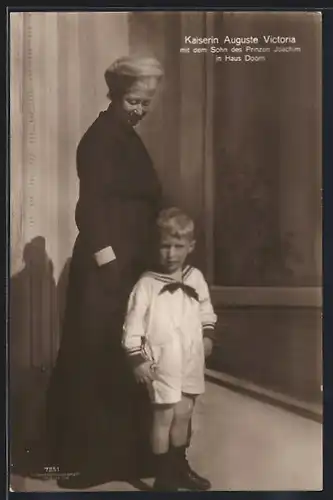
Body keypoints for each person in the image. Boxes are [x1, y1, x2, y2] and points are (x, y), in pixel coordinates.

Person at [46, 56, 165, 489]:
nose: (140, 110)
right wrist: (111, 268)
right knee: (97, 358)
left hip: (130, 264)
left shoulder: (127, 137)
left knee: (126, 358)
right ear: (115, 94)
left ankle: (127, 456)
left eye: (146, 102)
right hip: (105, 269)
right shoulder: (98, 140)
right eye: (135, 100)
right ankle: (89, 460)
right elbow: (90, 211)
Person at [122, 207, 217, 491]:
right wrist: (137, 360)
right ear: (156, 246)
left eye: (178, 246)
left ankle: (179, 467)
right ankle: (163, 477)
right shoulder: (146, 285)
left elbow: (206, 310)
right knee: (163, 417)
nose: (171, 253)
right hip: (161, 362)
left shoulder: (195, 278)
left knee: (184, 413)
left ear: (191, 246)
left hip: (191, 359)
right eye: (165, 246)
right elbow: (132, 327)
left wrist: (208, 335)